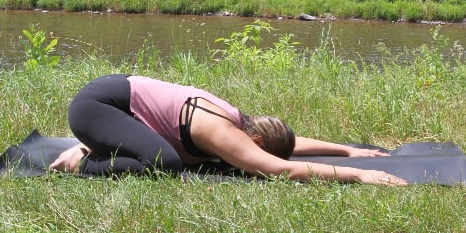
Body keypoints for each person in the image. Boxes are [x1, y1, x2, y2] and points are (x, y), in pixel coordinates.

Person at [50, 74, 408, 186]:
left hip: (119, 103)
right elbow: (275, 166)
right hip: (96, 108)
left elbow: (287, 148)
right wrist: (359, 176)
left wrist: (345, 150)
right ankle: (80, 161)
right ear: (255, 141)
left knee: (166, 156)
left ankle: (98, 148)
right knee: (167, 165)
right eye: (257, 150)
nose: (252, 156)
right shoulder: (220, 129)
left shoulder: (244, 124)